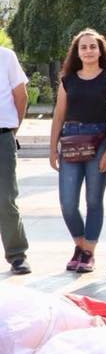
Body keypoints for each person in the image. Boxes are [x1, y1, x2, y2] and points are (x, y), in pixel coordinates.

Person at [49, 29, 106, 274]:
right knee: (67, 203)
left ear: (100, 50)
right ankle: (80, 245)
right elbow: (58, 115)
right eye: (83, 47)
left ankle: (88, 252)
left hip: (99, 141)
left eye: (92, 46)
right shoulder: (68, 80)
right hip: (71, 140)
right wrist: (52, 148)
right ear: (77, 52)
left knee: (93, 200)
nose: (88, 51)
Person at [0, 46, 30, 275]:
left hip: (2, 136)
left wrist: (12, 130)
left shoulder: (6, 56)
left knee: (6, 198)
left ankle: (17, 255)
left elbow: (21, 96)